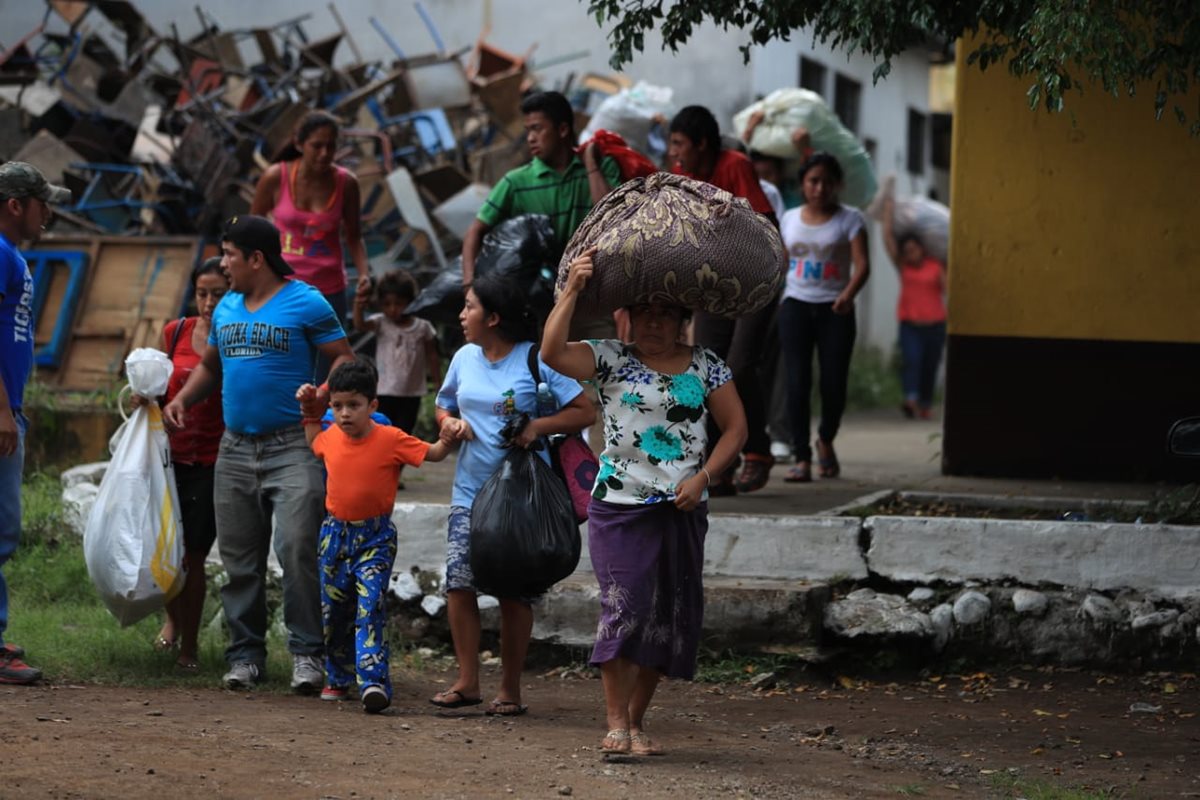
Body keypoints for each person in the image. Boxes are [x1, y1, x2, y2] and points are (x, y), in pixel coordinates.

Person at [540, 247, 748, 755]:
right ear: (626, 317)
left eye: (666, 314)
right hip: (618, 504)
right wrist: (571, 289)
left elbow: (736, 429)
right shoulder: (609, 357)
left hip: (681, 509)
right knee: (623, 607)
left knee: (668, 617)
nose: (654, 322)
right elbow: (550, 353)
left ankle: (634, 721)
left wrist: (704, 478)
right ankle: (615, 721)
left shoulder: (707, 366)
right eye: (644, 312)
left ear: (683, 321)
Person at [164, 214, 355, 692]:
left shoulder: (305, 301)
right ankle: (245, 655)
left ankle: (307, 654)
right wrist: (183, 399)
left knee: (296, 550)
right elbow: (211, 367)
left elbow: (345, 359)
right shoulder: (227, 306)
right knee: (240, 561)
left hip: (293, 444)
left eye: (230, 254)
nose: (224, 264)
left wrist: (324, 394)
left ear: (256, 258)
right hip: (234, 448)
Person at [430, 271, 594, 716]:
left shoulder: (535, 361)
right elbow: (443, 402)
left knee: (513, 593)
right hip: (469, 494)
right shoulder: (463, 357)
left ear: (494, 317)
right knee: (459, 585)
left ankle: (510, 689)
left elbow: (585, 410)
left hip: (522, 497)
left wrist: (536, 427)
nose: (462, 315)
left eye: (469, 307)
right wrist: (448, 422)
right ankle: (467, 682)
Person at [296, 360, 450, 713]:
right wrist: (309, 412)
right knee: (334, 610)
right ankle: (338, 677)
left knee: (369, 607)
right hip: (334, 536)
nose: (345, 414)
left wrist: (448, 435)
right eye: (337, 406)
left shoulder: (391, 439)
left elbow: (433, 454)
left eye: (354, 405)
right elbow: (312, 442)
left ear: (373, 406)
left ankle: (373, 681)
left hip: (375, 539)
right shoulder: (330, 436)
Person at [668, 105, 778, 495]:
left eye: (680, 143)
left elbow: (765, 223)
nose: (674, 152)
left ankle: (759, 451)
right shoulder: (682, 176)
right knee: (708, 369)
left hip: (753, 279)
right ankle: (719, 465)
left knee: (739, 365)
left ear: (702, 143)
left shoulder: (734, 165)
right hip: (711, 284)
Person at [135, 257, 229, 671]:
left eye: (218, 294)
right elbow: (156, 386)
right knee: (169, 550)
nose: (208, 302)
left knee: (192, 553)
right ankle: (172, 623)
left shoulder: (236, 333)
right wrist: (144, 396)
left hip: (212, 460)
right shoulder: (176, 332)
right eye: (202, 293)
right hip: (169, 459)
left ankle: (189, 648)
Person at [0, 162, 70, 685]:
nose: (50, 212)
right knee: (0, 530)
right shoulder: (0, 254)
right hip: (0, 413)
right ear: (15, 204)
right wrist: (2, 409)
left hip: (9, 409)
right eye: (43, 202)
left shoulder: (13, 257)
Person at [251, 110, 370, 379]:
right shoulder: (275, 177)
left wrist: (364, 274)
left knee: (326, 371)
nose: (324, 153)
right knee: (277, 362)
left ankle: (318, 421)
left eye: (331, 146)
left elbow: (354, 236)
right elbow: (251, 230)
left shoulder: (347, 183)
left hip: (329, 291)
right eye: (317, 146)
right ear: (299, 144)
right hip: (282, 287)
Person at [462, 91, 620, 287]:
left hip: (598, 287)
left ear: (562, 129)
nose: (530, 138)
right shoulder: (516, 183)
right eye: (527, 131)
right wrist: (469, 285)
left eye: (537, 129)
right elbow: (475, 231)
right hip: (541, 295)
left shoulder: (602, 168)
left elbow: (614, 218)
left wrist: (591, 164)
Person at [777, 153, 870, 482]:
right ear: (803, 184)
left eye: (827, 182)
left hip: (836, 309)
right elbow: (781, 262)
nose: (820, 188)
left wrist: (847, 295)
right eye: (813, 181)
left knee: (833, 384)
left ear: (838, 185)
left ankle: (826, 438)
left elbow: (862, 264)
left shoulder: (850, 219)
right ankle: (802, 456)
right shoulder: (788, 218)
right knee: (797, 382)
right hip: (796, 306)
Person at [351, 269, 440, 490]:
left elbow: (432, 355)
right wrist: (359, 304)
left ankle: (393, 475)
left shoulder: (422, 327)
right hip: (383, 391)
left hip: (411, 393)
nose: (393, 309)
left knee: (403, 435)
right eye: (387, 304)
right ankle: (376, 473)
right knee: (378, 434)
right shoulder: (381, 323)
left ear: (411, 302)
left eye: (399, 303)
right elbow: (360, 325)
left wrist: (439, 384)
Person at [882, 196, 947, 420]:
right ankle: (910, 399)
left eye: (914, 249)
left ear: (922, 248)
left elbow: (947, 288)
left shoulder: (937, 266)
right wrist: (888, 210)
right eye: (906, 250)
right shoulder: (904, 268)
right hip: (910, 324)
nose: (910, 253)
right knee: (912, 360)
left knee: (929, 366)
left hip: (935, 325)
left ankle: (925, 403)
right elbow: (889, 241)